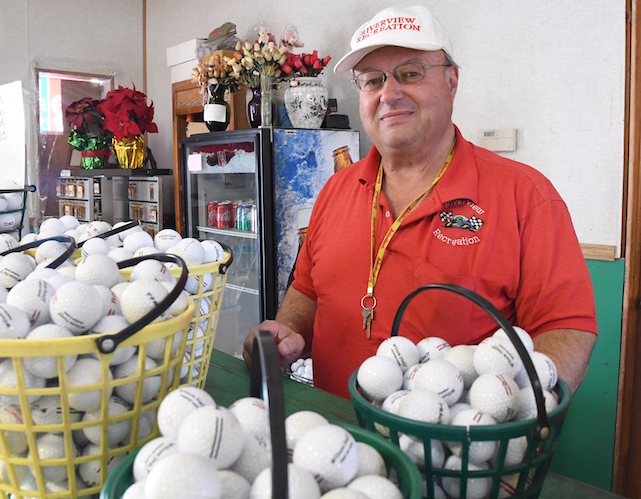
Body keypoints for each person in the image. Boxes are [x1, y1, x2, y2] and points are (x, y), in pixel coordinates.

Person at [243, 5, 598, 399]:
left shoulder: (526, 197)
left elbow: (567, 329)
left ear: (452, 81)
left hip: (452, 448)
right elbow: (307, 291)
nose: (389, 94)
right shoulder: (335, 190)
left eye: (410, 73)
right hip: (337, 444)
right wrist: (289, 332)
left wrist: (510, 414)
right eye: (372, 80)